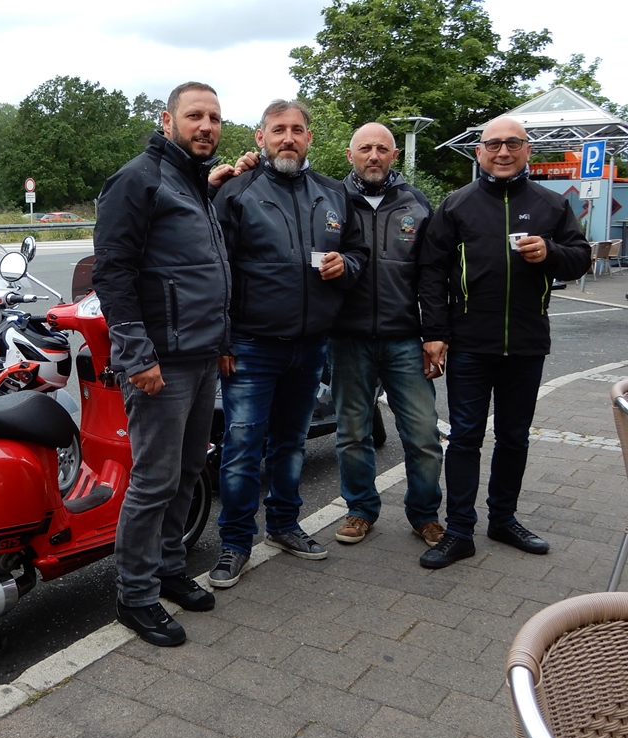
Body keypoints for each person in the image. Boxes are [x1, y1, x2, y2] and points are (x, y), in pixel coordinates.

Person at [92, 82, 235, 645]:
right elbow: (113, 274)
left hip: (200, 356)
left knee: (189, 470)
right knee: (153, 481)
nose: (207, 126)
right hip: (160, 363)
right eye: (195, 115)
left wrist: (222, 341)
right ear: (167, 120)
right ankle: (134, 595)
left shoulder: (195, 180)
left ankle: (170, 568)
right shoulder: (140, 178)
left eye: (215, 117)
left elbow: (206, 270)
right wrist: (137, 355)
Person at [207, 99, 368, 589]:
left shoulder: (334, 193)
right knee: (241, 447)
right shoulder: (237, 191)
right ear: (260, 138)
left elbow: (358, 250)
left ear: (309, 138)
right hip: (251, 345)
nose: (288, 138)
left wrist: (348, 265)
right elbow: (216, 270)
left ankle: (283, 525)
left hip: (311, 344)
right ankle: (235, 543)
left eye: (297, 130)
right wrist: (223, 340)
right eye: (278, 130)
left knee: (291, 444)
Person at [418, 116, 591, 568]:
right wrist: (434, 333)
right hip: (470, 343)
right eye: (493, 144)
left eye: (513, 143)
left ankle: (503, 519)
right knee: (465, 438)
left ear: (528, 150)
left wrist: (550, 253)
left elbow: (580, 259)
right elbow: (432, 272)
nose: (503, 152)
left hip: (528, 343)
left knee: (514, 437)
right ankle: (459, 531)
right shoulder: (457, 205)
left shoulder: (551, 204)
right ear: (479, 152)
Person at [330, 122, 445, 550]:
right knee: (352, 434)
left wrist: (435, 332)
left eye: (382, 148)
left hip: (405, 338)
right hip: (347, 338)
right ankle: (360, 510)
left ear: (394, 155)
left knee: (424, 434)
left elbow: (432, 273)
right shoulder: (331, 200)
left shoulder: (416, 202)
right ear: (350, 155)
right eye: (365, 148)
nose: (374, 155)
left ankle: (425, 515)